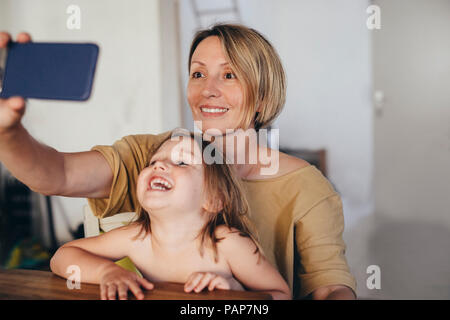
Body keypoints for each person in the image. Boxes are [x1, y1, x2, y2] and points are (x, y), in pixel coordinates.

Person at [0, 24, 356, 299]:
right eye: (198, 73)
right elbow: (56, 175)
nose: (206, 90)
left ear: (262, 96)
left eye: (229, 75)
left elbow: (328, 287)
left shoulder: (307, 188)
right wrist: (8, 131)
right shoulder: (154, 154)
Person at [50, 133, 291, 300]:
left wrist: (234, 291)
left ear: (214, 199)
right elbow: (62, 257)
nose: (159, 165)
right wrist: (106, 272)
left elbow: (282, 294)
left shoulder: (227, 243)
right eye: (154, 161)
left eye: (183, 162)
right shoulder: (138, 237)